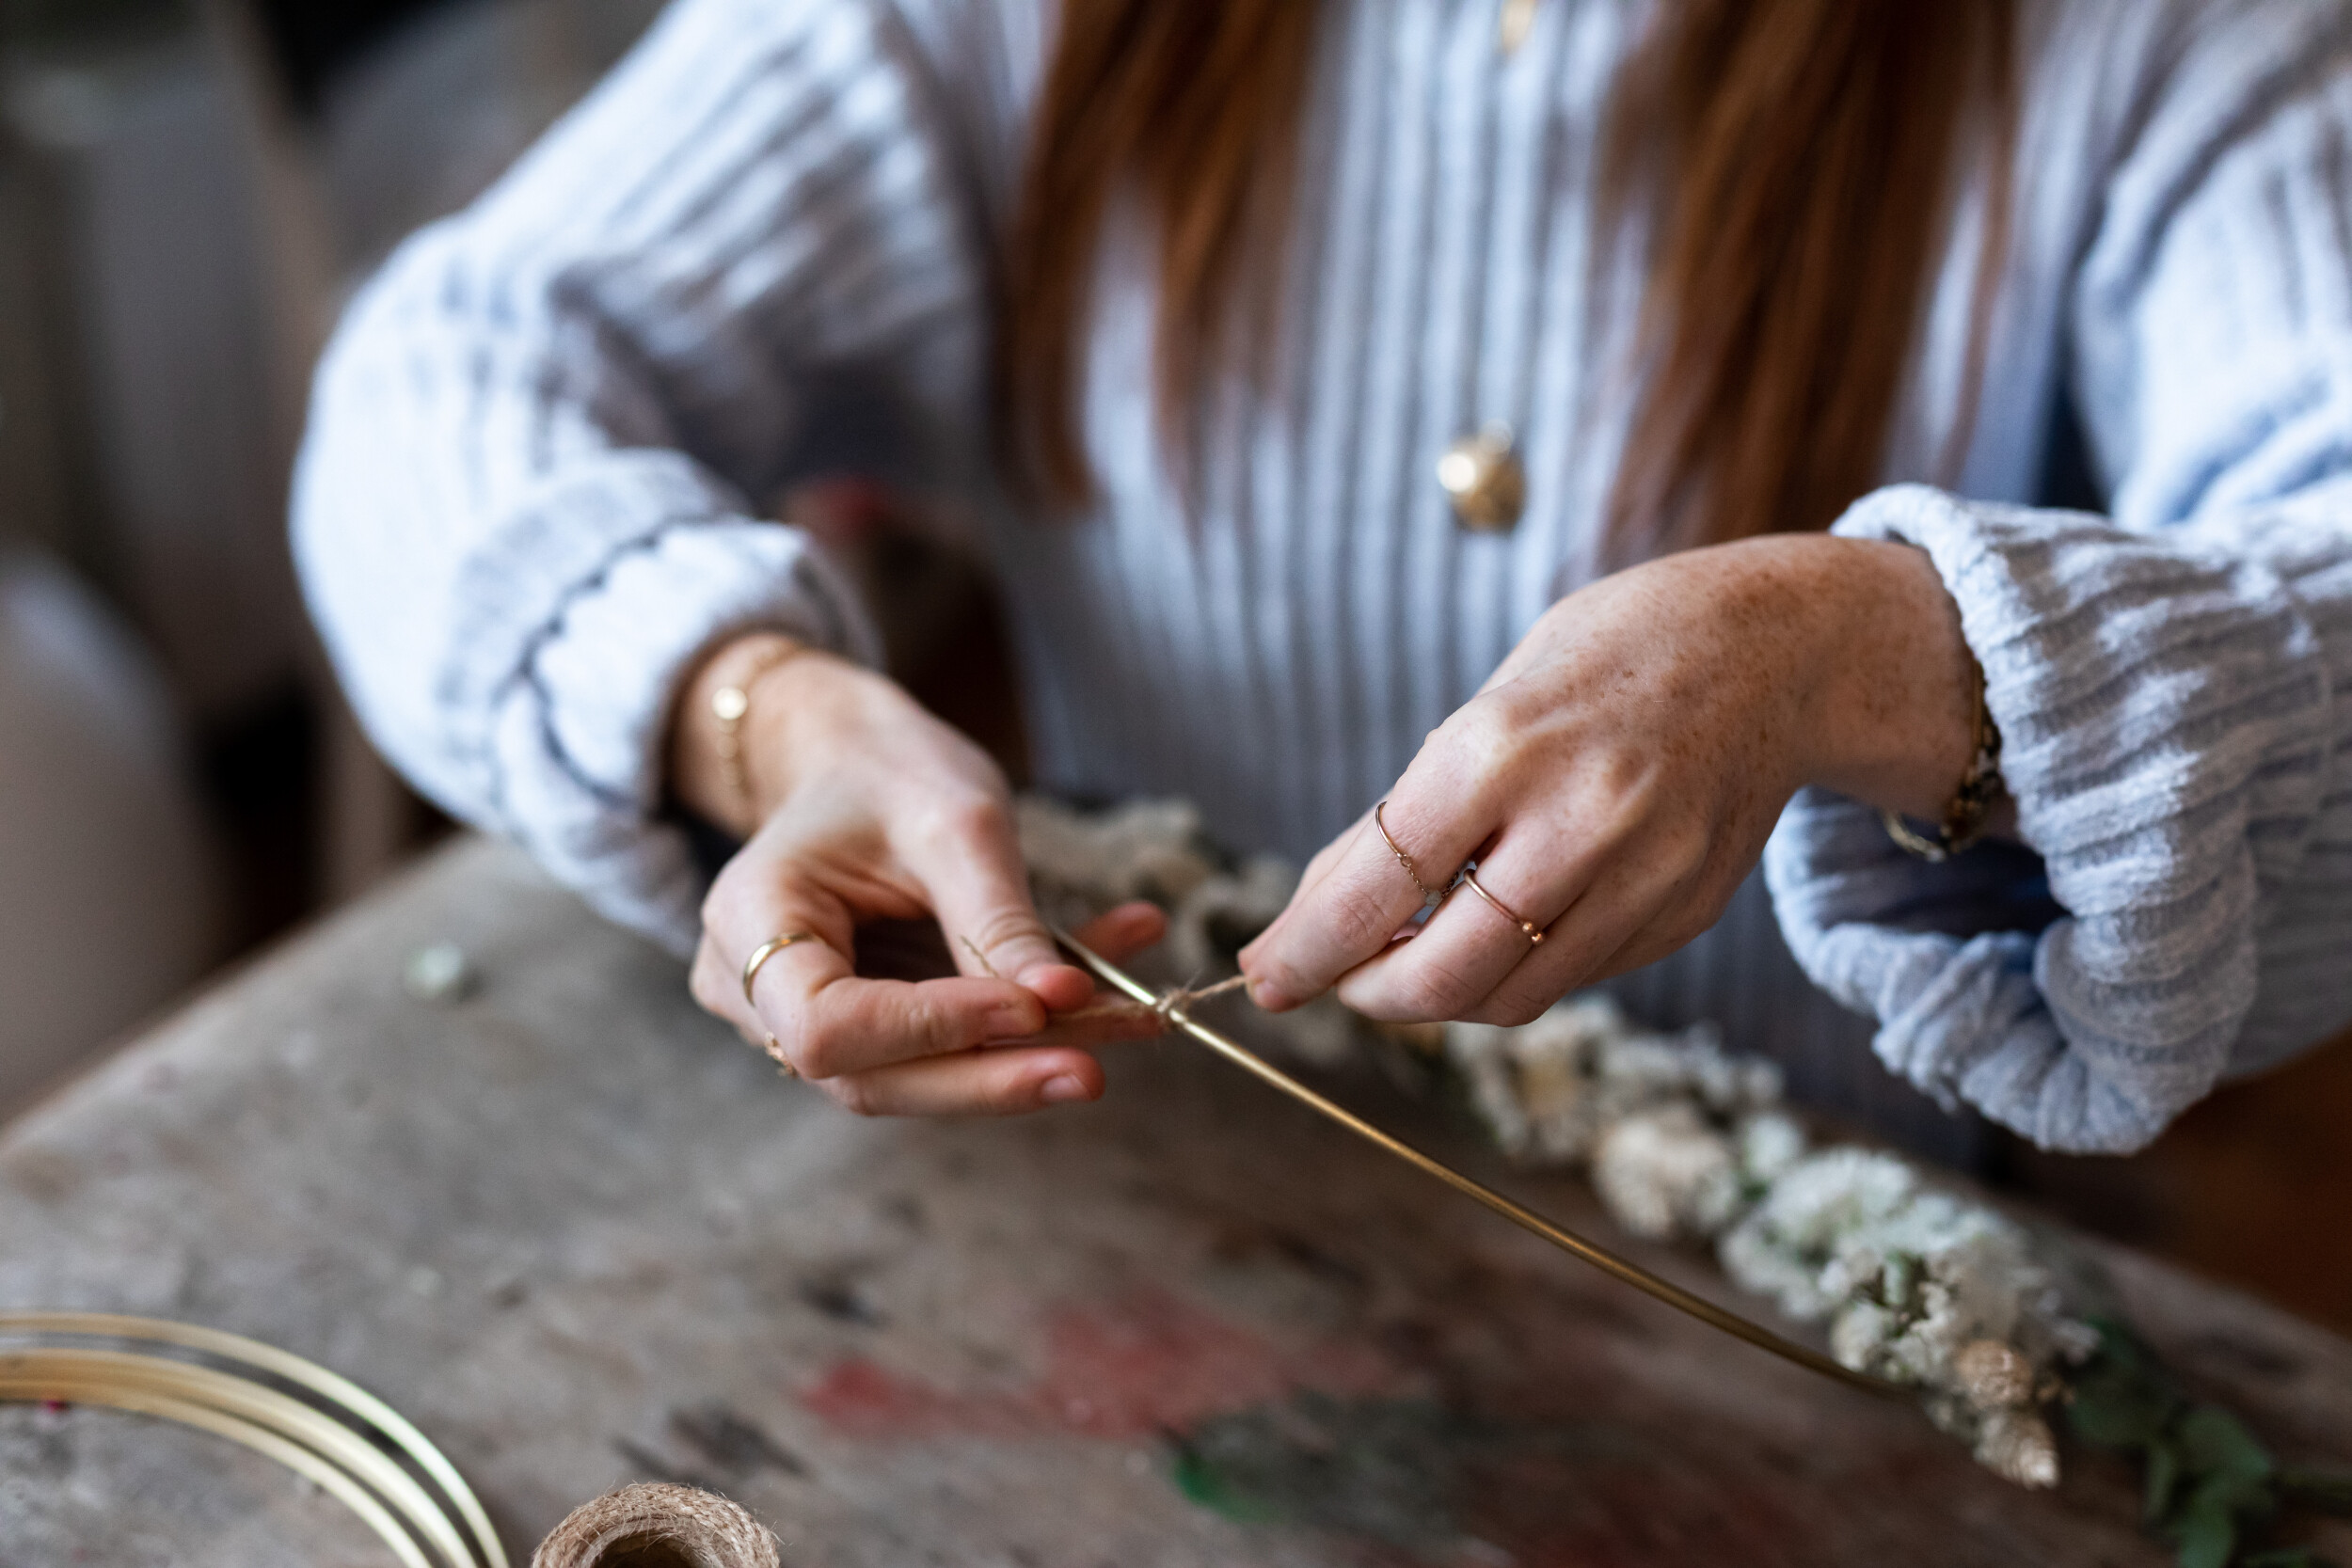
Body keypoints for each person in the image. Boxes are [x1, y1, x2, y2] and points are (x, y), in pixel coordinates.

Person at [294, 0, 2352, 1158]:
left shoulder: (2167, 48)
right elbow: (450, 372)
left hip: (1806, 1303)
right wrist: (754, 707)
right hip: (1147, 1187)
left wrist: (1845, 642)